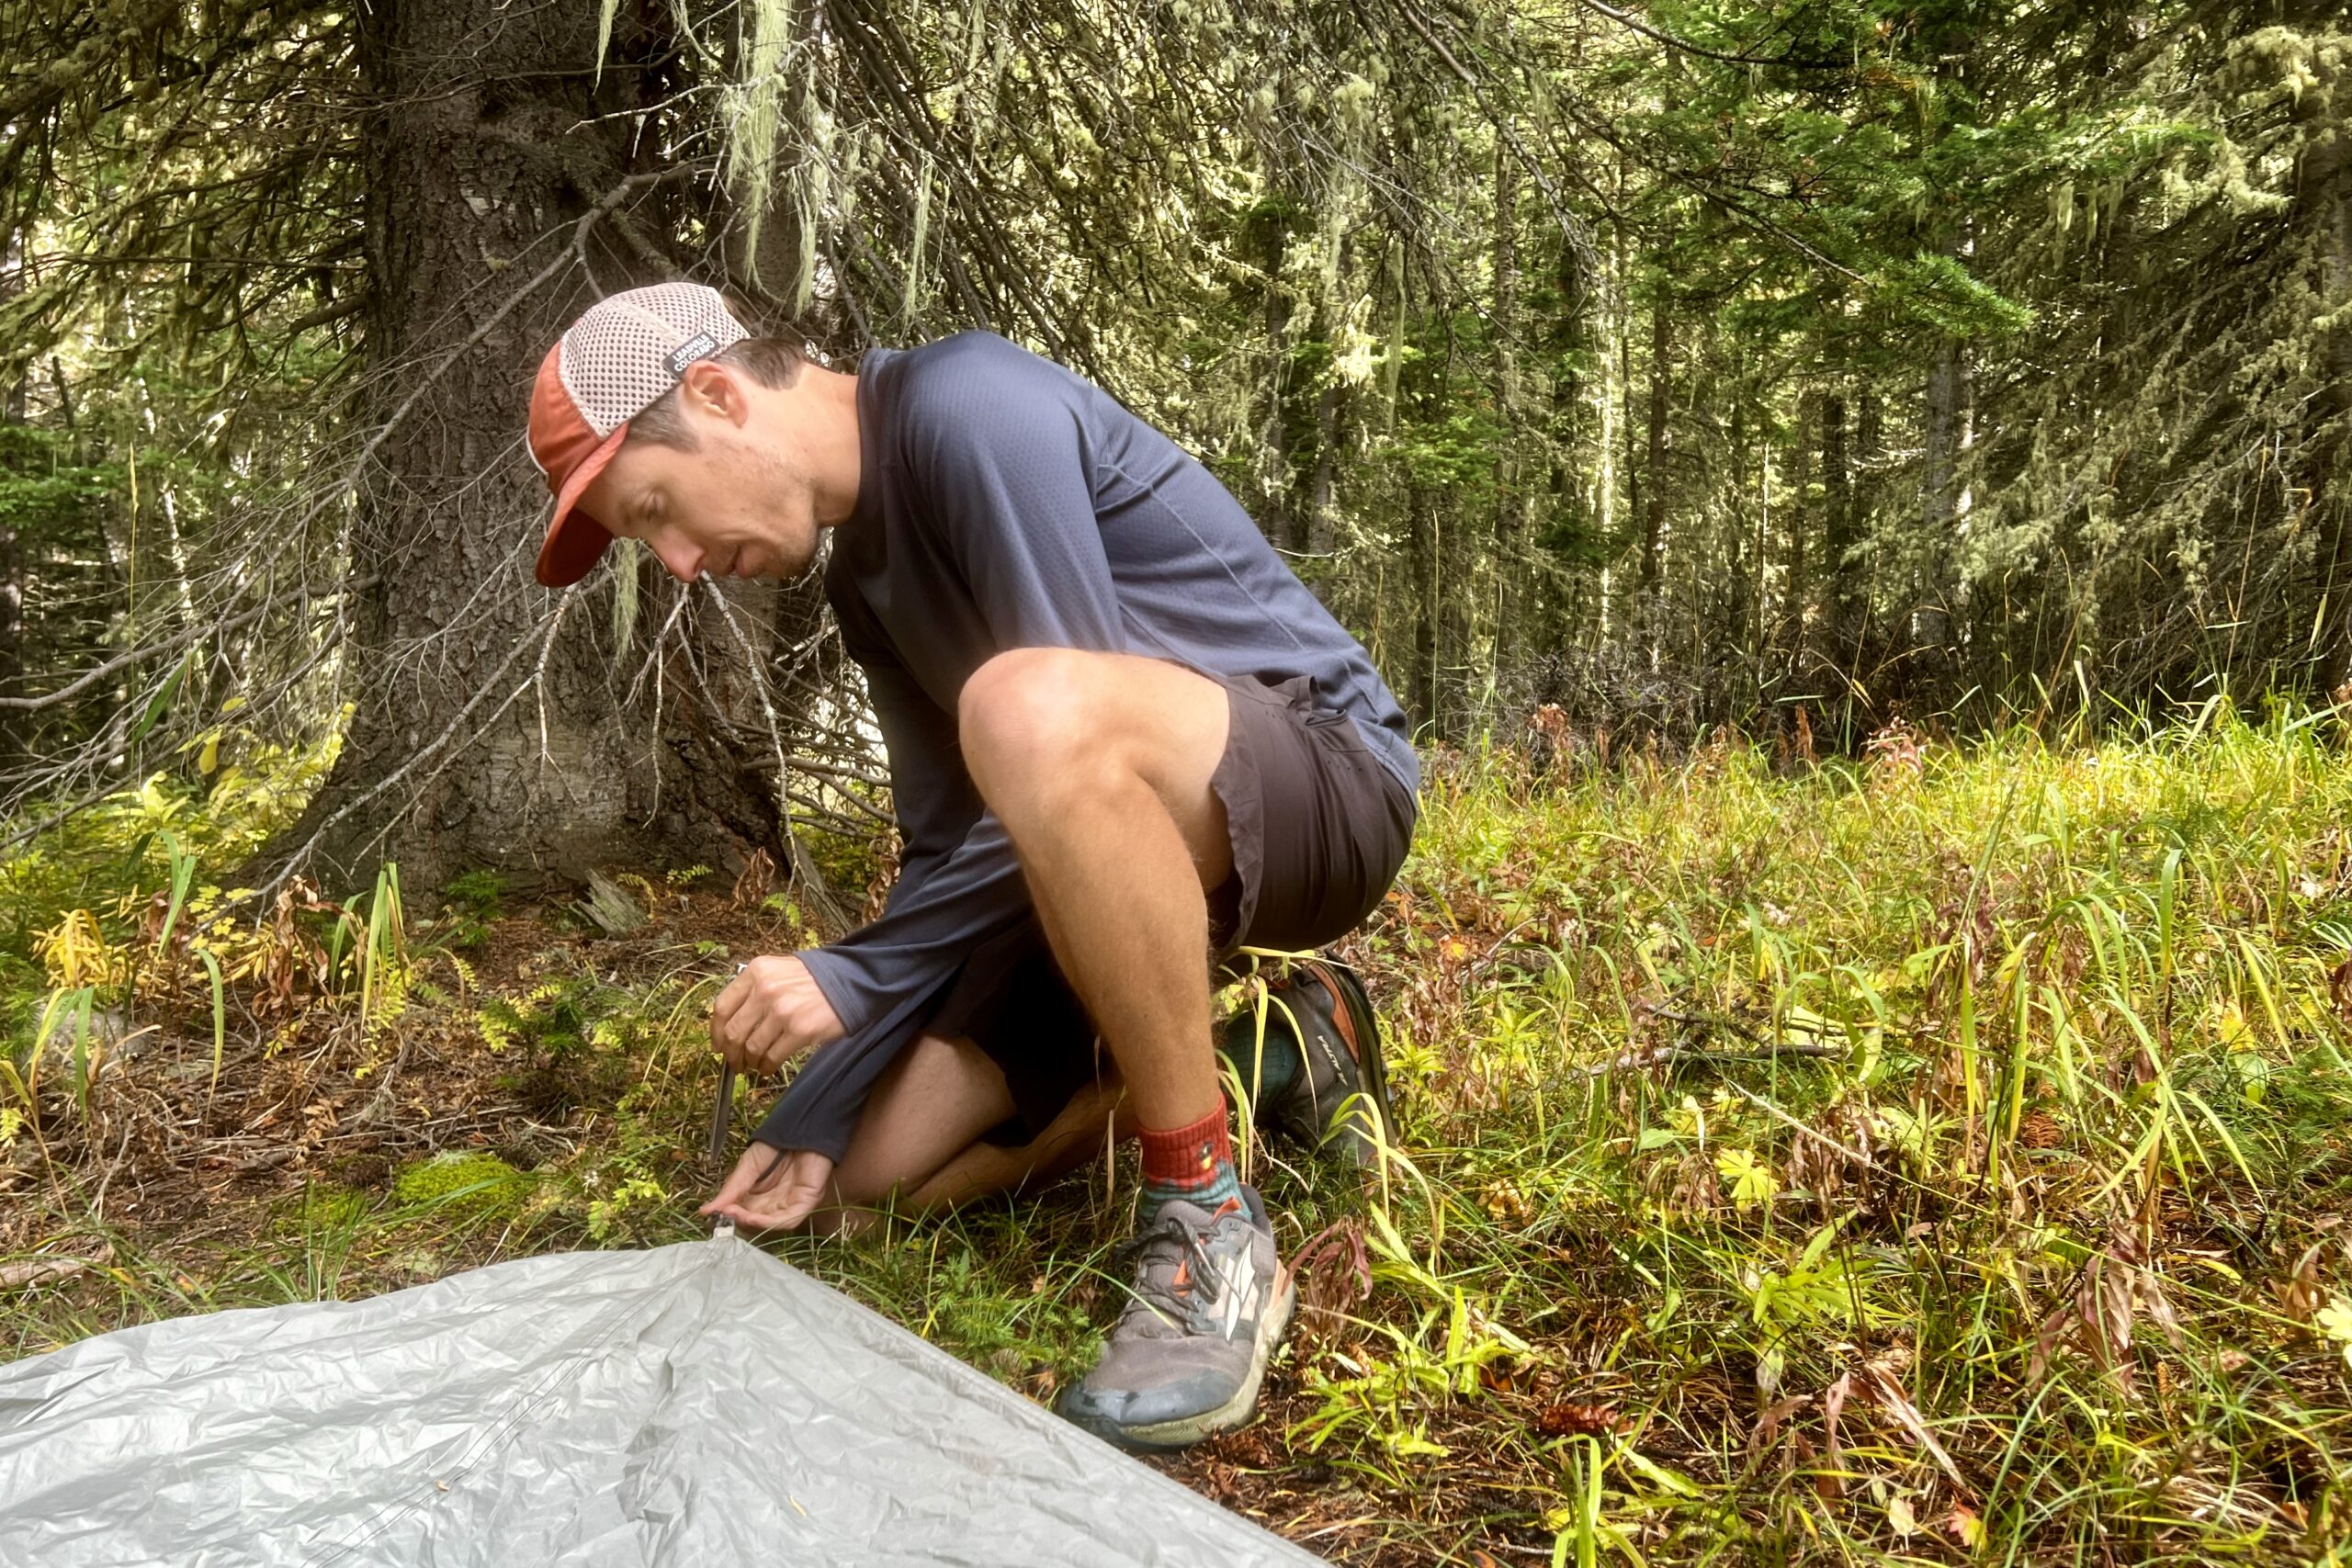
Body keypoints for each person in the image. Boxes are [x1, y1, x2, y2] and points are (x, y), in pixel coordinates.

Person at [523, 282, 1418, 1450]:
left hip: (1322, 782)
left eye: (656, 510)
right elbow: (955, 846)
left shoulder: (967, 403)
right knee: (849, 1187)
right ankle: (1279, 1045)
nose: (681, 562)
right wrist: (825, 1101)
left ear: (716, 394)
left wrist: (854, 976)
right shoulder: (863, 582)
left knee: (1022, 703)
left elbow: (1058, 718)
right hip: (1108, 867)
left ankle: (1204, 1215)